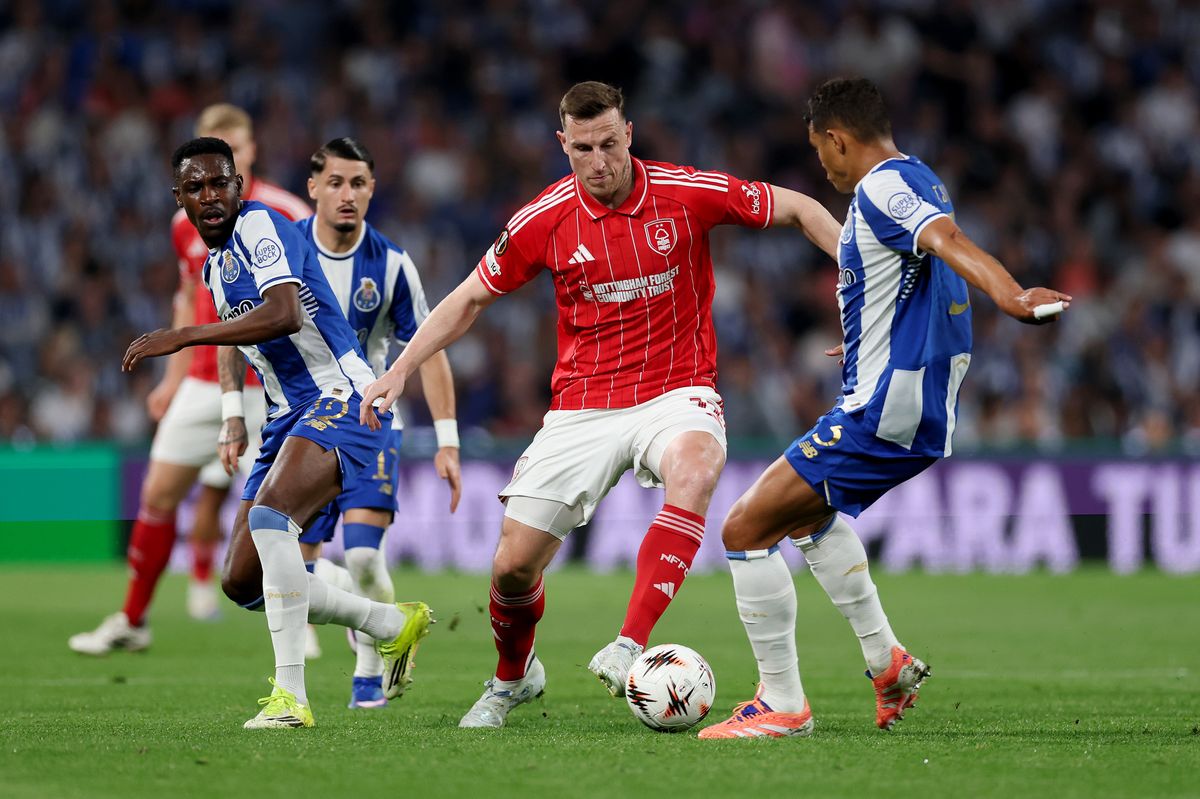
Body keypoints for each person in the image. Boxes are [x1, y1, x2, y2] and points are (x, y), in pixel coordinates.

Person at [359, 81, 842, 728]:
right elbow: (471, 297)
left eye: (610, 143)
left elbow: (801, 207)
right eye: (583, 147)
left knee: (696, 469)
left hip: (678, 388)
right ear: (564, 145)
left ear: (629, 134)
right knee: (511, 567)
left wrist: (859, 278)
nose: (599, 161)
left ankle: (630, 640)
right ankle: (513, 676)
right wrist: (400, 368)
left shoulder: (685, 191)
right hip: (584, 404)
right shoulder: (545, 217)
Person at [698, 77, 1072, 739]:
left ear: (838, 138)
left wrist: (1012, 297)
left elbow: (950, 243)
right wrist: (868, 335)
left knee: (743, 529)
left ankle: (781, 703)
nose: (824, 166)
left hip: (885, 407)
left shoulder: (881, 188)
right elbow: (918, 282)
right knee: (808, 521)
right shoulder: (919, 176)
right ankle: (887, 662)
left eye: (821, 153)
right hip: (908, 401)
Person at [123, 136, 431, 729]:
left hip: (344, 395)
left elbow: (284, 312)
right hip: (286, 415)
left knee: (270, 523)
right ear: (179, 198)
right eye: (195, 187)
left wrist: (184, 336)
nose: (209, 197)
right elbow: (241, 335)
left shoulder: (260, 224)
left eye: (220, 183)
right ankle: (392, 624)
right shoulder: (216, 264)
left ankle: (291, 700)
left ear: (239, 187)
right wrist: (232, 414)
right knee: (242, 581)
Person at [69, 104, 313, 658]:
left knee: (282, 514)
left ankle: (315, 622)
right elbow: (189, 296)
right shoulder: (185, 224)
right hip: (207, 376)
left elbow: (305, 300)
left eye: (231, 149)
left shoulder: (285, 212)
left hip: (274, 386)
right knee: (157, 494)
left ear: (246, 158)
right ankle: (133, 619)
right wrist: (172, 378)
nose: (209, 182)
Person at [289, 137, 463, 710]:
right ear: (313, 186)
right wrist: (232, 414)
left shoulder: (390, 265)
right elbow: (241, 321)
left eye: (358, 183)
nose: (347, 194)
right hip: (300, 428)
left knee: (364, 556)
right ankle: (366, 613)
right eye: (335, 182)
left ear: (371, 190)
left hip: (370, 424)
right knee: (295, 577)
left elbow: (430, 349)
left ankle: (368, 657)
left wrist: (447, 440)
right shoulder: (283, 252)